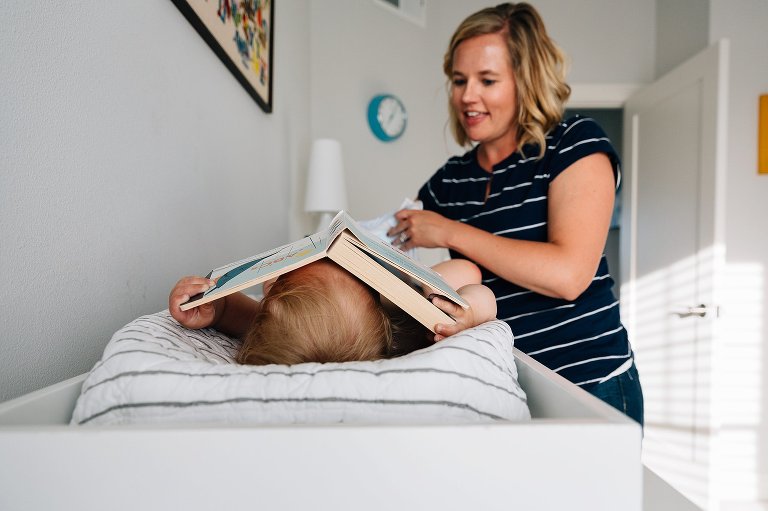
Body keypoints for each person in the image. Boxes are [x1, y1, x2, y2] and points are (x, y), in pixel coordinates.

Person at [387, 2, 644, 425]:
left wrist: (450, 232)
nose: (467, 96)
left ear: (526, 82)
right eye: (459, 80)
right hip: (504, 386)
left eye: (487, 80)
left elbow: (568, 276)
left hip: (591, 384)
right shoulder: (450, 180)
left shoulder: (574, 144)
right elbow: (389, 245)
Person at [169, 258, 496, 366]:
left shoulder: (286, 328)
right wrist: (466, 311)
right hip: (405, 297)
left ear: (271, 301)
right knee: (457, 274)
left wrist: (213, 307)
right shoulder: (410, 325)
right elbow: (474, 278)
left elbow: (233, 312)